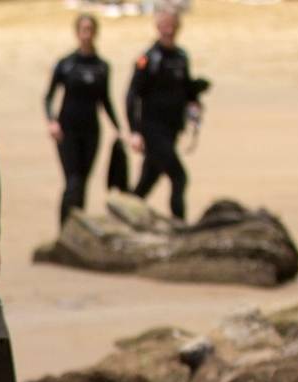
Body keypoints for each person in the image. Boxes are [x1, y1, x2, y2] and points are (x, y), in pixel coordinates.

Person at [45, 13, 122, 227]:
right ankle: (64, 228)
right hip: (67, 130)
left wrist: (119, 129)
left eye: (90, 30)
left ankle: (78, 228)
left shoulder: (102, 66)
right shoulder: (65, 64)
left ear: (95, 33)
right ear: (77, 33)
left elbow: (105, 100)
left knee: (84, 183)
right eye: (83, 30)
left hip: (91, 131)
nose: (87, 34)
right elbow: (48, 97)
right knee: (72, 181)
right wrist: (52, 121)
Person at [126, 8, 199, 220]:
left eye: (173, 26)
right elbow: (132, 96)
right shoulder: (148, 59)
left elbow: (184, 90)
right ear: (157, 27)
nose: (169, 30)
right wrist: (135, 131)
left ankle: (123, 214)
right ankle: (181, 227)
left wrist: (195, 97)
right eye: (165, 26)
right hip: (152, 129)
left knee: (148, 181)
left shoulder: (181, 57)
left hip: (172, 129)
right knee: (179, 177)